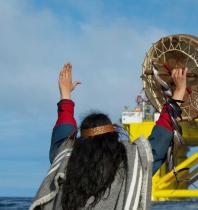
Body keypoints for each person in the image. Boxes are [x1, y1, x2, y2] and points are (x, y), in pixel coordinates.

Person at [30, 63, 187, 210]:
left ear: (80, 142)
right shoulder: (128, 168)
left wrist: (65, 95)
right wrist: (178, 92)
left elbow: (62, 139)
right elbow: (157, 145)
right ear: (113, 140)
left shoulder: (64, 163)